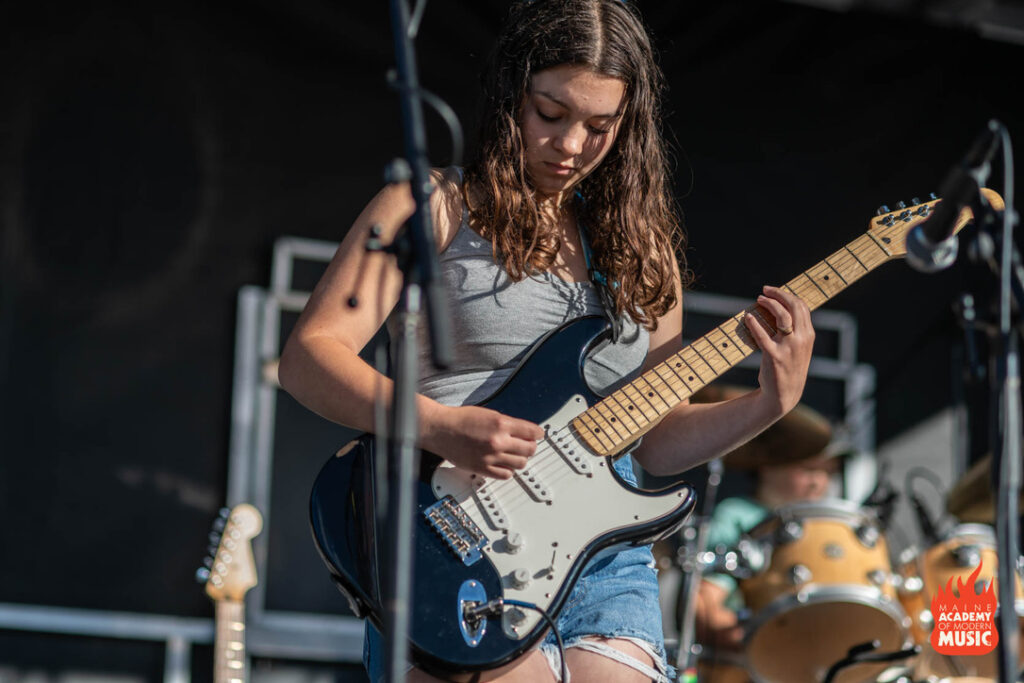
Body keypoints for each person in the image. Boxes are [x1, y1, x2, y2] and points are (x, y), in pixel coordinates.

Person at [278, 1, 815, 681]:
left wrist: (767, 404)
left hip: (604, 561)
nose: (569, 146)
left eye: (598, 126)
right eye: (550, 114)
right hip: (453, 539)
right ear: (511, 94)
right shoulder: (436, 205)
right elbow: (308, 357)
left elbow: (649, 436)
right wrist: (443, 425)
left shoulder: (646, 252)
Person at [691, 387, 838, 653]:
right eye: (808, 469)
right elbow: (705, 609)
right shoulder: (736, 515)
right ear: (768, 465)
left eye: (827, 471)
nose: (818, 482)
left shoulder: (829, 527)